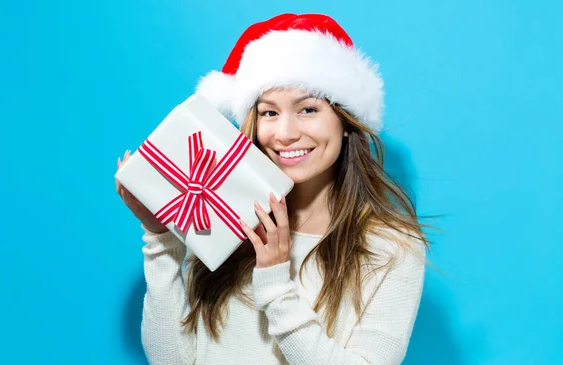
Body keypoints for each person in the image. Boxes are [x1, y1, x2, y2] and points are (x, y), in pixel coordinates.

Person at [116, 13, 429, 365]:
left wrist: (276, 286)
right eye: (268, 113)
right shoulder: (220, 216)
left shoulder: (392, 249)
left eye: (308, 109)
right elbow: (172, 360)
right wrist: (160, 238)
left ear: (345, 121)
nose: (285, 134)